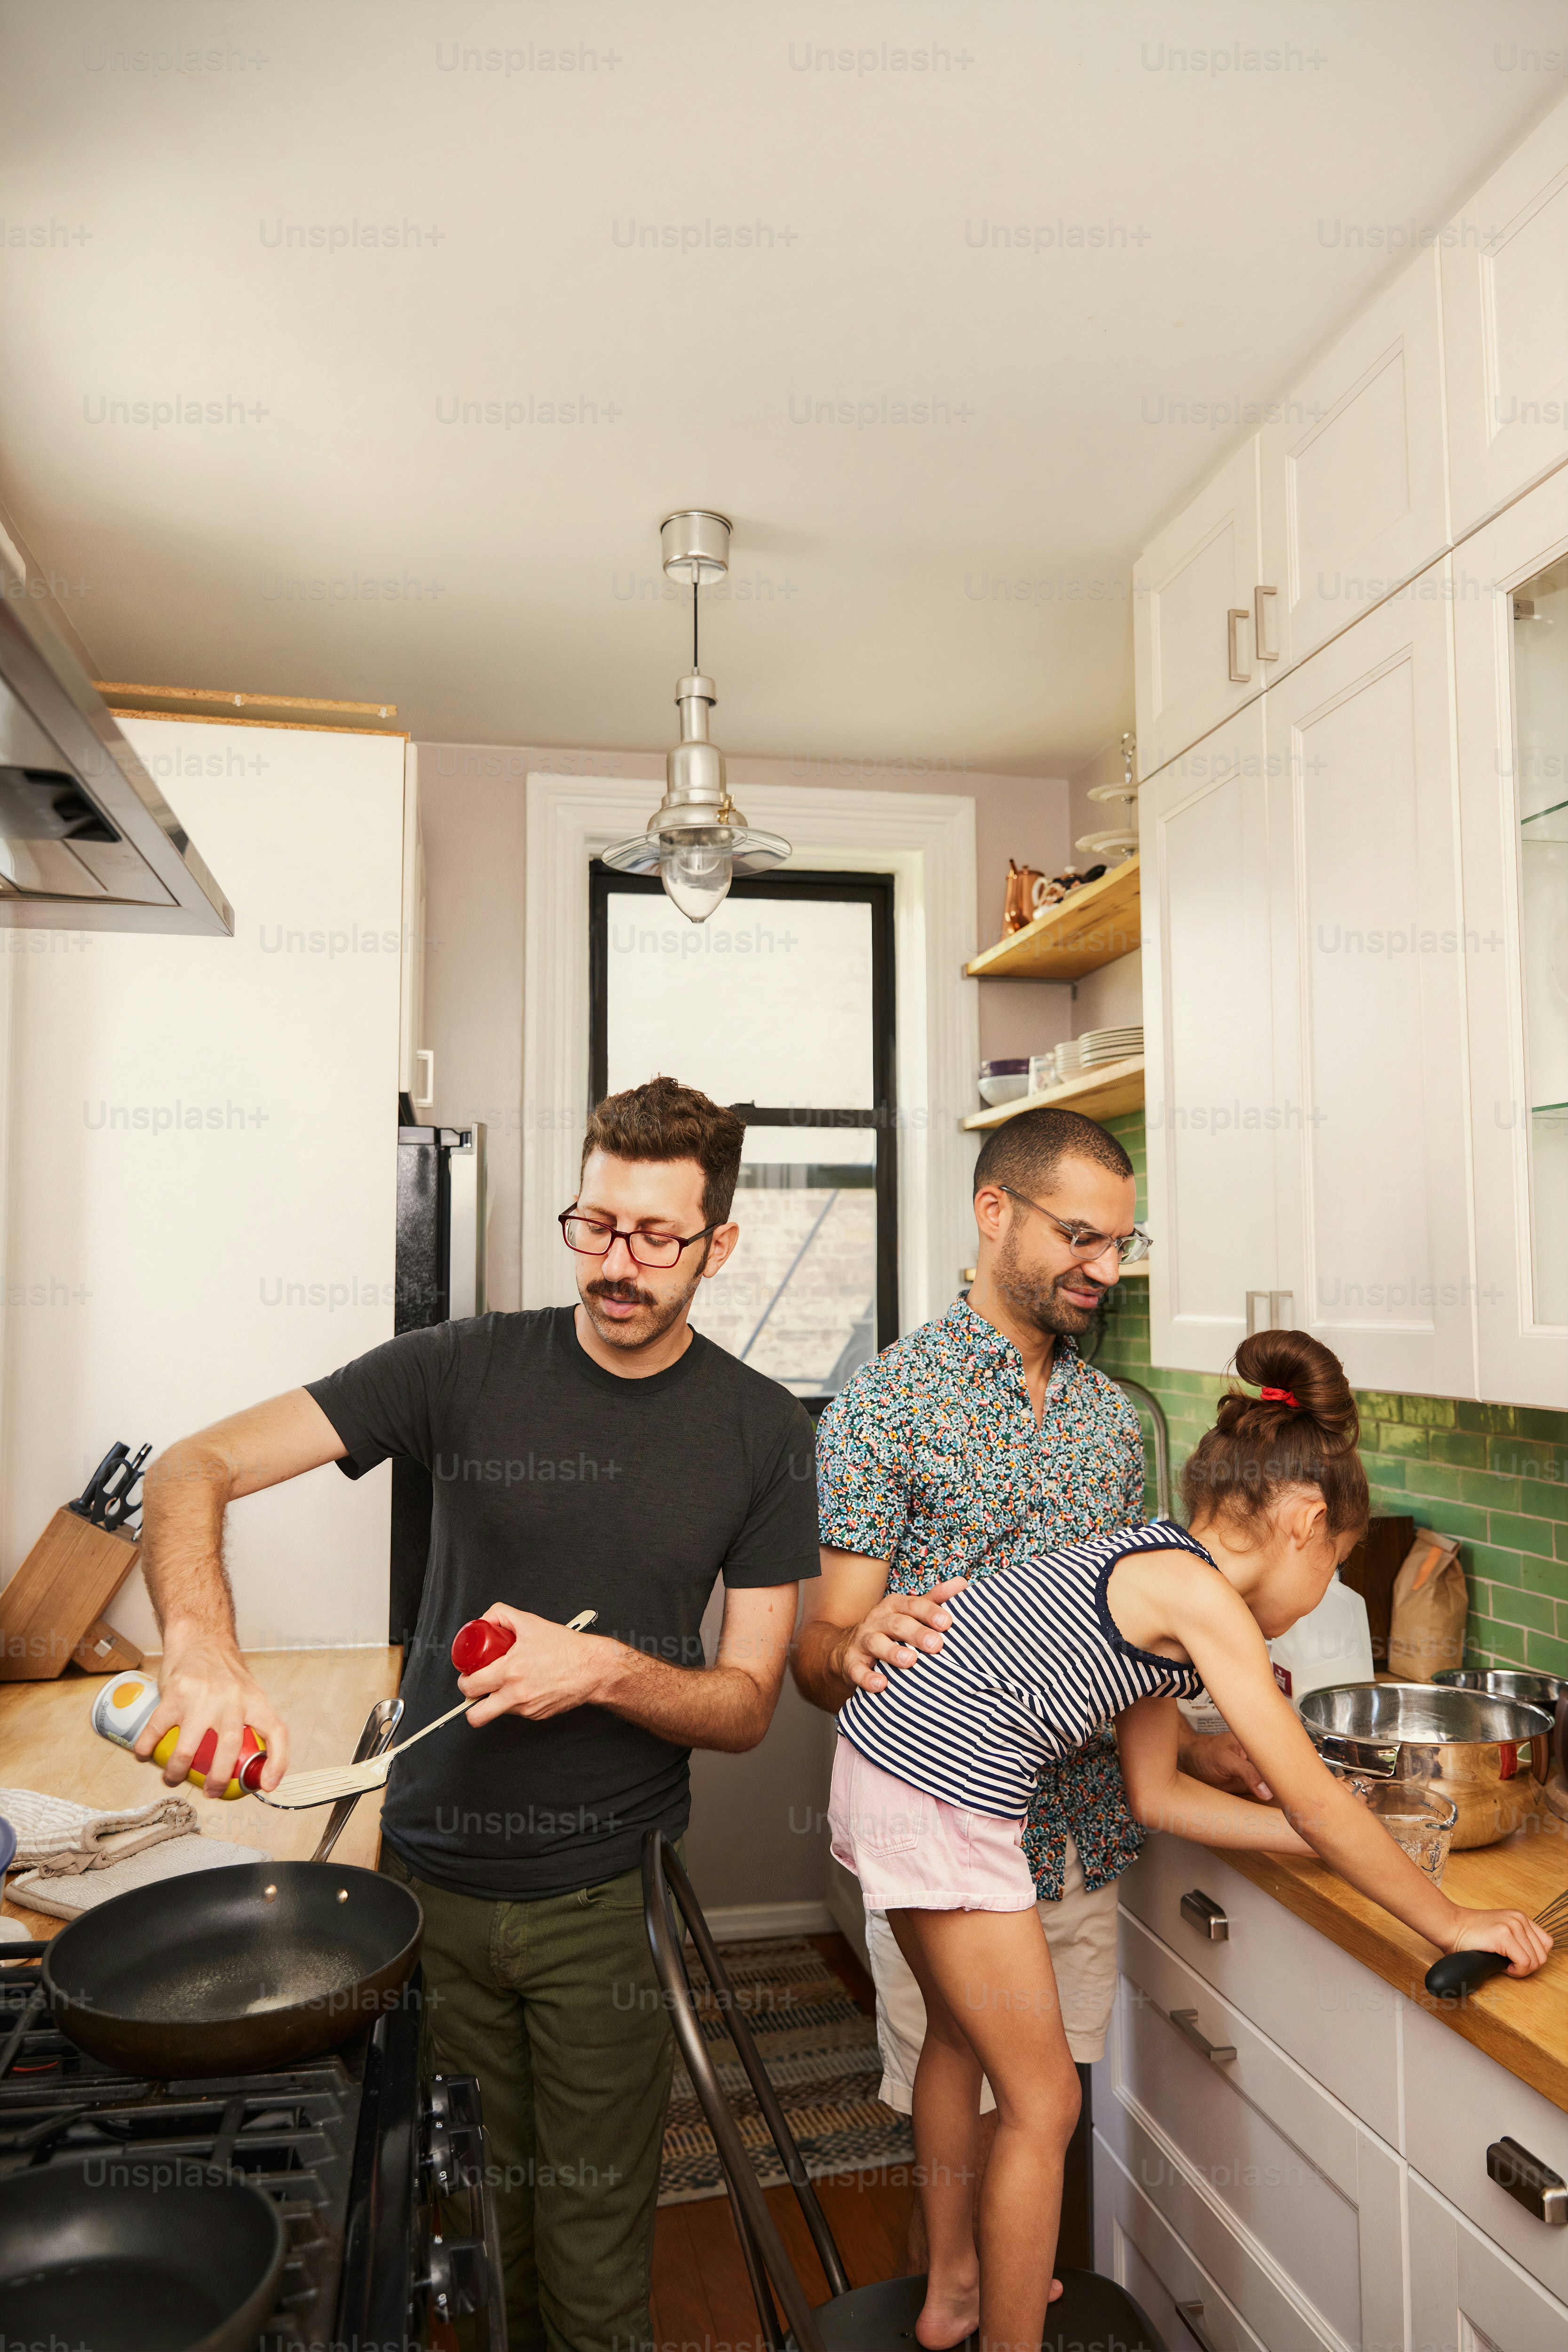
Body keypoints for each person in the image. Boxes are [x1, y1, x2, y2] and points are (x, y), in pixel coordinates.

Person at [133, 1075, 819, 2352]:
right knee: (477, 2245)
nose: (615, 1266)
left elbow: (741, 1707)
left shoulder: (763, 1433)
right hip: (428, 1890)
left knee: (596, 2273)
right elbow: (193, 1468)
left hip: (602, 1909)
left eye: (655, 1239)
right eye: (593, 1224)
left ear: (717, 1244)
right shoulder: (458, 1367)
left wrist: (602, 1671)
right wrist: (201, 1654)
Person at [829, 1330, 1552, 2352]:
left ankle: (952, 2289)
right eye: (1336, 1563)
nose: (1319, 1599)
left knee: (957, 2038)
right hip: (944, 1794)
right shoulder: (1204, 1603)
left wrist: (1343, 1842)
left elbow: (1157, 1794)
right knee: (1040, 2103)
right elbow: (1314, 1800)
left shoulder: (1152, 1557)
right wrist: (1446, 1914)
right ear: (1304, 1523)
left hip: (882, 1764)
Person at [792, 1105, 1270, 2282]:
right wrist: (853, 1647)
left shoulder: (1118, 1424)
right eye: (1081, 1237)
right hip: (944, 1831)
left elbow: (1137, 1634)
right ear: (991, 1213)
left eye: (1119, 1243)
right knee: (952, 2094)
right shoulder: (881, 1407)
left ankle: (1001, 2296)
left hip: (1078, 1834)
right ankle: (955, 2291)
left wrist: (1203, 1747)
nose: (1104, 1269)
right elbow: (815, 1656)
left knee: (1041, 2116)